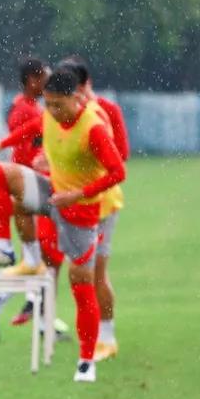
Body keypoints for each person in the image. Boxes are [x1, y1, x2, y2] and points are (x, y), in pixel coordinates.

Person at [0, 68, 125, 383]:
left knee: (81, 282)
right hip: (53, 194)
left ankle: (87, 361)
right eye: (48, 104)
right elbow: (30, 128)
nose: (52, 112)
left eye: (58, 105)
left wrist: (78, 194)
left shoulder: (93, 128)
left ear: (75, 98)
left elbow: (117, 172)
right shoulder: (49, 116)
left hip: (81, 211)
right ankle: (6, 248)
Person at [59, 56, 130, 362]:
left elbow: (121, 155)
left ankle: (107, 336)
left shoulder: (102, 112)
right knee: (81, 274)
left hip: (102, 204)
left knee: (95, 274)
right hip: (76, 203)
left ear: (84, 86)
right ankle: (94, 337)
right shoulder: (63, 115)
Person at [0, 56, 48, 271]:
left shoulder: (34, 108)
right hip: (32, 177)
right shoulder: (26, 109)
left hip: (49, 182)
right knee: (38, 248)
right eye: (45, 77)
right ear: (33, 80)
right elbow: (27, 139)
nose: (47, 84)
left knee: (49, 254)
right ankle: (24, 298)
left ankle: (7, 255)